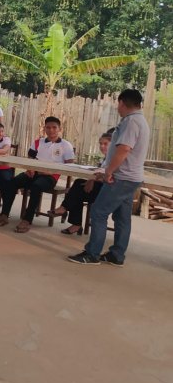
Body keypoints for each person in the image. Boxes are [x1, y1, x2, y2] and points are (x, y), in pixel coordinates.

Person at [69, 90, 150, 266]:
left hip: (122, 177)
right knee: (122, 217)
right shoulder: (140, 121)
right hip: (131, 177)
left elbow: (124, 150)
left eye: (118, 104)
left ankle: (92, 254)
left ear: (122, 102)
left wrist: (108, 172)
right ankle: (116, 255)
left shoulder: (131, 122)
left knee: (98, 212)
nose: (117, 108)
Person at [0, 116, 75, 233]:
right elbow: (30, 158)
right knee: (12, 182)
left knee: (36, 187)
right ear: (45, 129)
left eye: (54, 127)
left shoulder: (66, 145)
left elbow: (70, 166)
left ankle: (27, 220)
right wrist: (30, 168)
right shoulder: (38, 142)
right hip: (33, 172)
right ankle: (4, 214)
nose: (51, 130)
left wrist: (51, 171)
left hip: (50, 176)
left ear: (60, 129)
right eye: (48, 127)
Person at [51, 131, 113, 235]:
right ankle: (71, 218)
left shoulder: (114, 158)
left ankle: (67, 212)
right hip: (100, 186)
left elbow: (110, 176)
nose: (102, 146)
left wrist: (92, 180)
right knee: (78, 186)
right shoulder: (106, 158)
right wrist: (91, 180)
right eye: (100, 143)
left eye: (105, 144)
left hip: (108, 191)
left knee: (77, 190)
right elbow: (99, 172)